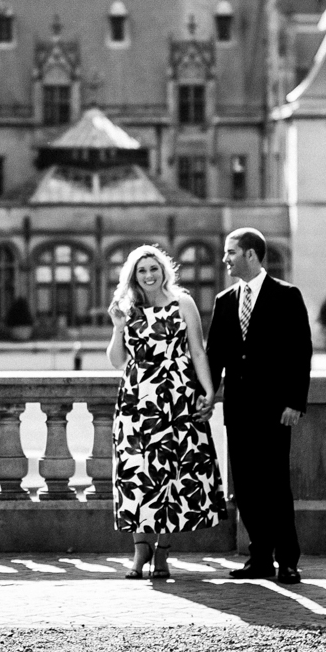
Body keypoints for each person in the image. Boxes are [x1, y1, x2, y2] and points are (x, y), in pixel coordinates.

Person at [104, 244, 228, 580]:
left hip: (177, 398)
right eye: (141, 271)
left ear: (163, 271)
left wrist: (209, 391)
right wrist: (117, 327)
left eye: (153, 269)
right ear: (133, 275)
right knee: (135, 472)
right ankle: (139, 549)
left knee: (173, 473)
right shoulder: (126, 308)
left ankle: (162, 552)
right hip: (137, 402)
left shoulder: (182, 302)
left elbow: (198, 352)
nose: (148, 276)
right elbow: (117, 361)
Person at [206, 227, 312, 584]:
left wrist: (295, 402)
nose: (225, 259)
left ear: (251, 254)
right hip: (237, 411)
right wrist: (205, 395)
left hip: (275, 412)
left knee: (276, 486)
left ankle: (288, 561)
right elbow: (214, 358)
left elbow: (300, 354)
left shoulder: (287, 295)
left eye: (230, 252)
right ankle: (260, 559)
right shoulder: (224, 301)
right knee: (247, 489)